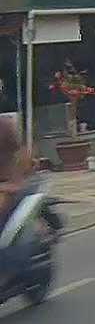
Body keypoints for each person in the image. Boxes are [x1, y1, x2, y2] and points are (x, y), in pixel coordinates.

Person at [0, 117, 36, 284]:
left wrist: (13, 184)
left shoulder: (4, 128)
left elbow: (21, 157)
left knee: (8, 223)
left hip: (9, 186)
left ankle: (13, 269)